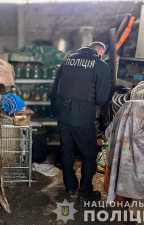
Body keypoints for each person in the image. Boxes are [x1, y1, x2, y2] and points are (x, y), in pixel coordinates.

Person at [51, 42, 111, 202]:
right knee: (89, 155)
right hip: (83, 117)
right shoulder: (100, 65)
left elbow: (55, 88)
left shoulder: (67, 60)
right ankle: (85, 193)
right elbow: (101, 98)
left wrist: (58, 109)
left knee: (66, 151)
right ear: (100, 52)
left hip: (63, 115)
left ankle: (70, 187)